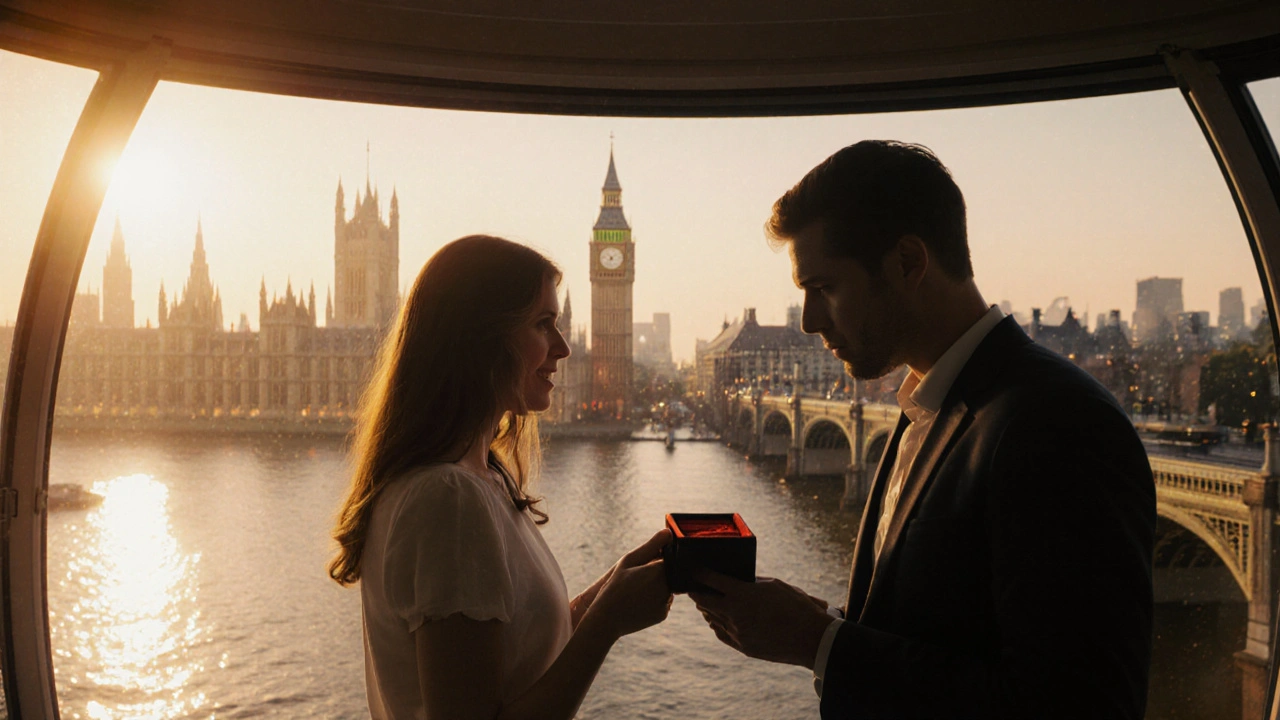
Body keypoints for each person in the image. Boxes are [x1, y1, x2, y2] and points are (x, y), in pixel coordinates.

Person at [691, 141, 1155, 718]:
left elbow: (1077, 704)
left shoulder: (1058, 425)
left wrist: (819, 645)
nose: (810, 321)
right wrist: (826, 625)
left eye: (824, 288)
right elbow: (947, 630)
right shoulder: (930, 406)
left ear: (909, 262)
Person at [328, 235, 673, 720]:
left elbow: (517, 648)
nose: (564, 347)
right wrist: (610, 621)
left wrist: (616, 584)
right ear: (481, 340)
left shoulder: (482, 476)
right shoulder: (447, 501)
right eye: (542, 325)